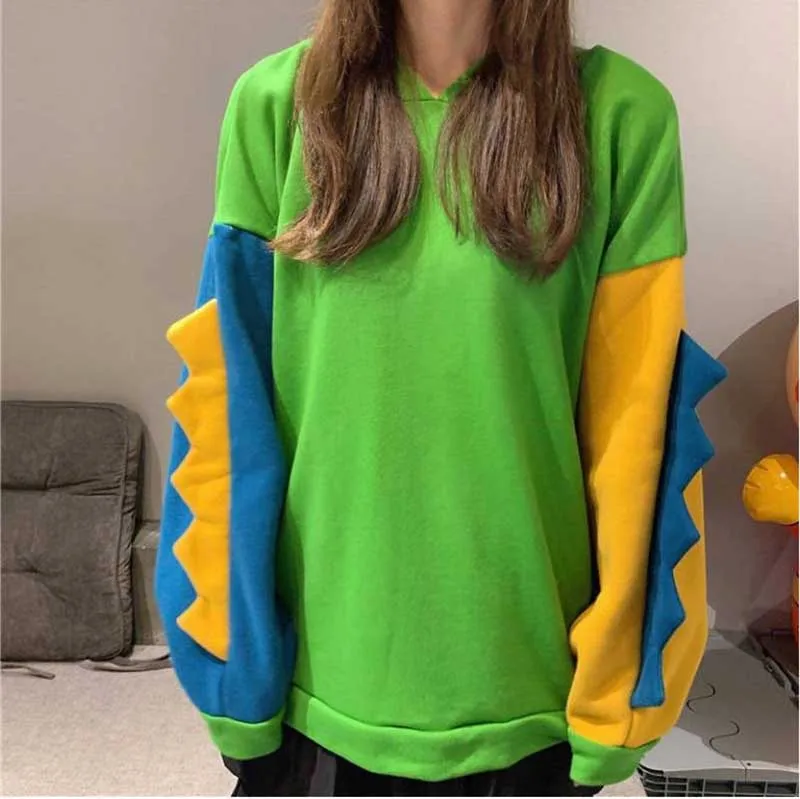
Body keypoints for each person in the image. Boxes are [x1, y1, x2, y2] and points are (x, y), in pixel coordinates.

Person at [156, 0, 713, 795]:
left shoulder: (622, 117)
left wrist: (618, 697)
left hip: (527, 702)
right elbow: (227, 418)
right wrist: (233, 678)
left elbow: (639, 433)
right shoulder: (275, 107)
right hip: (317, 702)